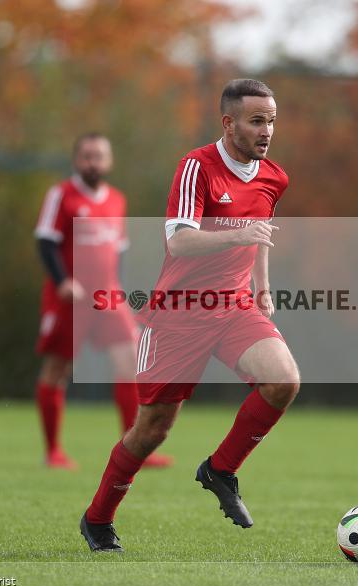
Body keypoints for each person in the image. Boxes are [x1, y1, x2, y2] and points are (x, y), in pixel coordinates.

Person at [79, 79, 300, 552]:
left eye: (271, 121)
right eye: (256, 121)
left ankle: (221, 470)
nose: (266, 131)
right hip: (179, 313)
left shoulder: (273, 177)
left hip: (234, 306)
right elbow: (178, 240)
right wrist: (237, 235)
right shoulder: (197, 167)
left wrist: (262, 287)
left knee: (283, 381)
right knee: (152, 429)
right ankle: (97, 518)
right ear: (229, 123)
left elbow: (260, 232)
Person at [34, 133, 172, 470]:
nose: (93, 162)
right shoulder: (61, 195)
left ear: (109, 161)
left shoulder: (116, 200)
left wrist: (118, 289)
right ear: (76, 160)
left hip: (107, 297)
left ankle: (134, 448)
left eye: (99, 156)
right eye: (86, 156)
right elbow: (46, 242)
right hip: (70, 298)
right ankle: (53, 451)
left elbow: (117, 252)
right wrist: (62, 281)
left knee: (130, 362)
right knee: (57, 369)